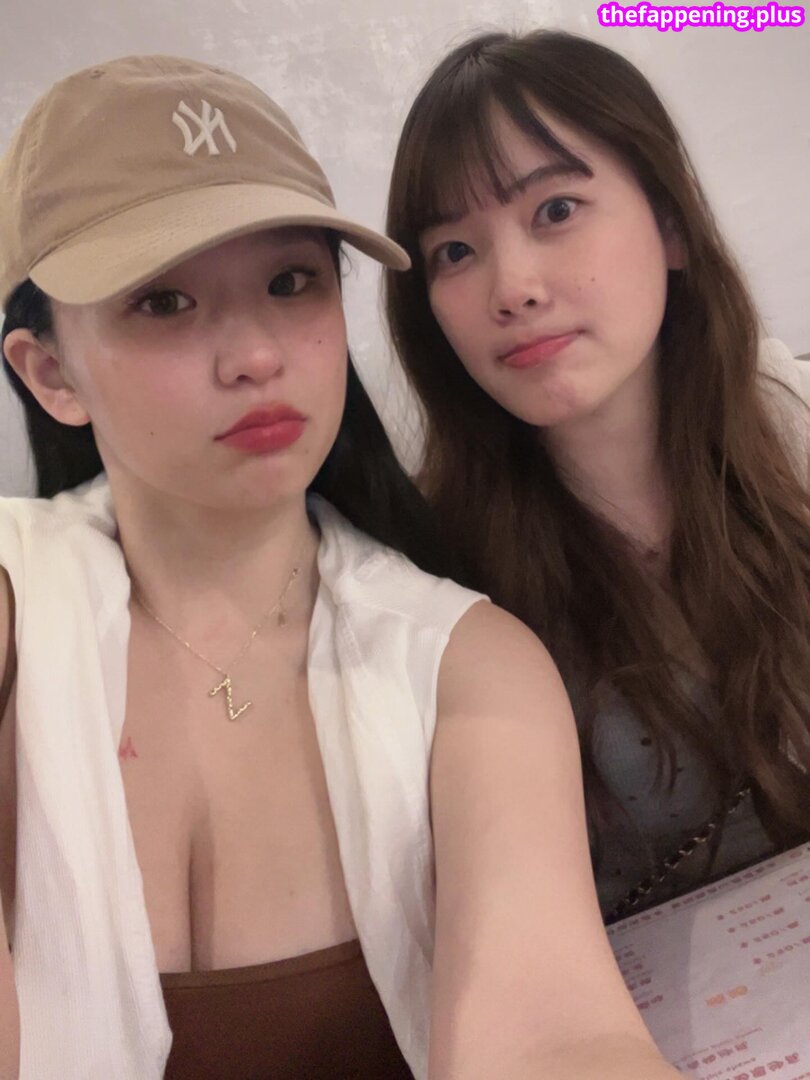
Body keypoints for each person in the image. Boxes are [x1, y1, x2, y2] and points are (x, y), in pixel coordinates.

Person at [0, 55, 680, 1080]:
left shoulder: (466, 663)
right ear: (51, 372)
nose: (257, 356)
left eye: (291, 283)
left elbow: (555, 1032)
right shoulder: (19, 606)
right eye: (164, 301)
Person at [385, 29, 810, 924]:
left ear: (671, 224)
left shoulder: (793, 426)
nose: (512, 287)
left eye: (555, 210)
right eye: (455, 252)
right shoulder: (431, 580)